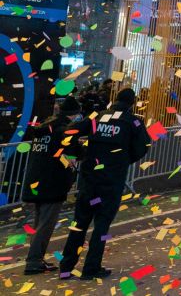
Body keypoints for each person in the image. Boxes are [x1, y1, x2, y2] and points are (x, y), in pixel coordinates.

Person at [59, 88, 150, 280]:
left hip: (89, 179)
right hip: (111, 181)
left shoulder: (98, 116)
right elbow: (143, 147)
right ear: (132, 103)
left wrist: (81, 154)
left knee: (79, 222)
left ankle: (66, 266)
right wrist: (124, 159)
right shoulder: (133, 121)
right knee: (101, 226)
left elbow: (70, 131)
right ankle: (90, 268)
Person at [21, 96, 80, 275]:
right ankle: (33, 261)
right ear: (72, 115)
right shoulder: (62, 130)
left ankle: (36, 258)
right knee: (46, 225)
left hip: (36, 181)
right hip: (52, 183)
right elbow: (76, 151)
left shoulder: (44, 127)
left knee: (40, 222)